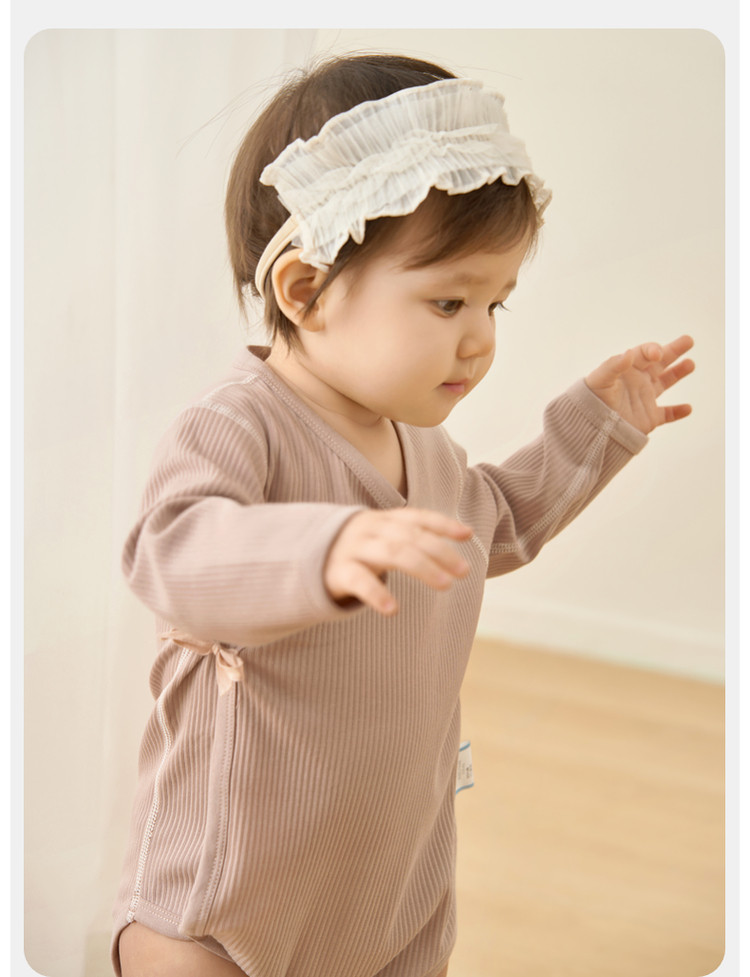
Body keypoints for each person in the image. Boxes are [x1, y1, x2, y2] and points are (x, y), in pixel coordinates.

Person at [112, 52, 695, 977]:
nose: (481, 338)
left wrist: (594, 428)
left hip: (387, 872)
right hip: (230, 882)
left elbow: (491, 526)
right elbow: (171, 552)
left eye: (496, 303)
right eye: (449, 300)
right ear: (305, 290)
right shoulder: (239, 424)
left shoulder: (421, 443)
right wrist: (326, 545)